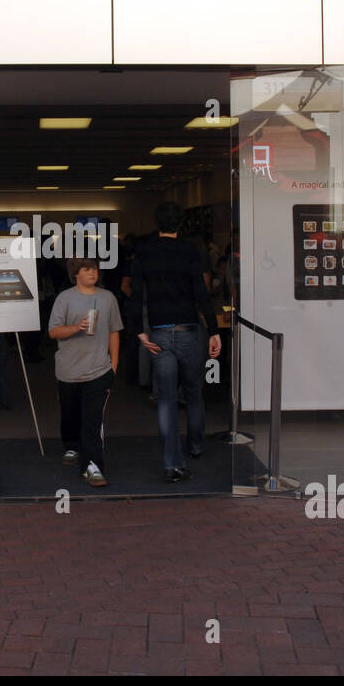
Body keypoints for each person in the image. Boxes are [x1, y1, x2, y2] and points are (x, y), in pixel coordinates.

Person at [127, 202, 222, 483]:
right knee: (194, 393)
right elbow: (201, 292)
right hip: (188, 331)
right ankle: (195, 445)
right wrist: (214, 329)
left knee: (166, 399)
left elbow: (135, 294)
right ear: (181, 224)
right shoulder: (191, 250)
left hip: (158, 333)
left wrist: (139, 331)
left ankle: (171, 462)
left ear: (157, 223)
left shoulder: (144, 252)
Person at [48, 256, 122, 487]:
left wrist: (114, 365)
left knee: (92, 420)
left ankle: (92, 466)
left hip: (99, 370)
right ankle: (71, 445)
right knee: (71, 414)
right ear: (76, 274)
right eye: (87, 269)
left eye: (95, 270)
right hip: (68, 369)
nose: (92, 273)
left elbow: (114, 331)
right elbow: (53, 332)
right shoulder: (65, 298)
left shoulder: (108, 297)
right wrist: (75, 328)